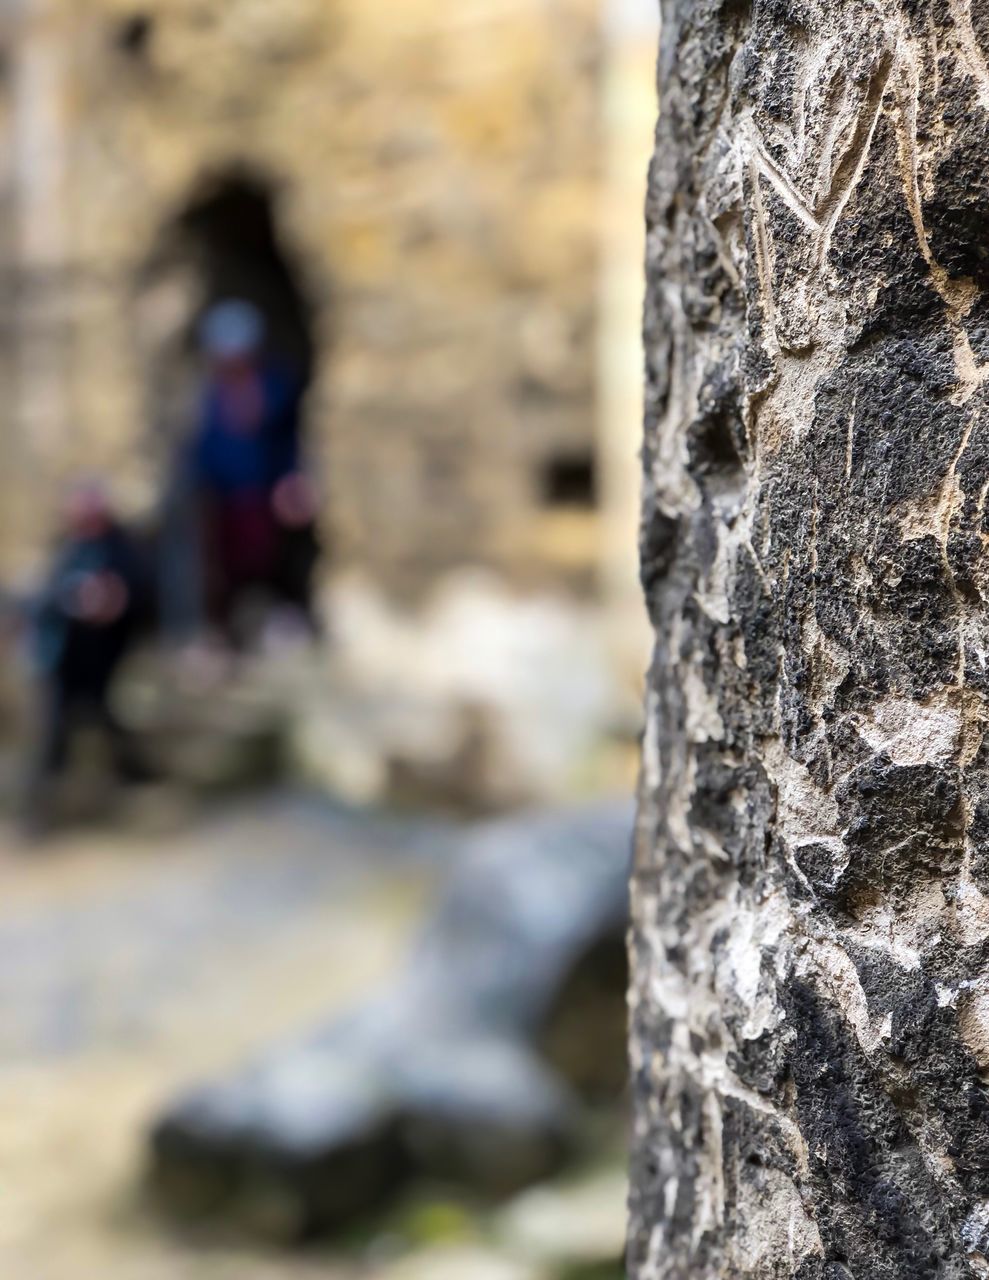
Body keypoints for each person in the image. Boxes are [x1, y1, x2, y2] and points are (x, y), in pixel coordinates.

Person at [187, 299, 318, 643]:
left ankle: (284, 616)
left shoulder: (277, 386)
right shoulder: (211, 394)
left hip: (268, 493)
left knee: (277, 556)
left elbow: (290, 440)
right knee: (223, 565)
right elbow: (204, 448)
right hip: (226, 497)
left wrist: (293, 479)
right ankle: (226, 633)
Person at [23, 481, 150, 835]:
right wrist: (74, 599)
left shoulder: (124, 548)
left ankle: (133, 783)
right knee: (56, 723)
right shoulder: (67, 550)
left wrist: (116, 600)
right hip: (67, 658)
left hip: (109, 652)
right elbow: (45, 599)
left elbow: (143, 591)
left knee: (107, 712)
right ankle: (42, 807)